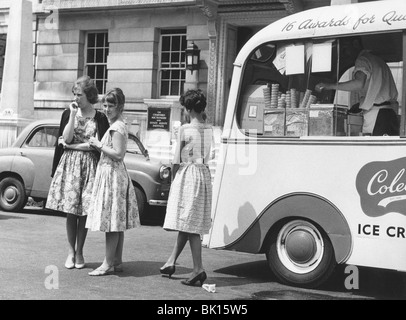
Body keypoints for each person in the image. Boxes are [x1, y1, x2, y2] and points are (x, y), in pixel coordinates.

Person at [46, 76, 110, 270]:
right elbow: (65, 138)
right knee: (70, 212)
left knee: (84, 212)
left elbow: (97, 146)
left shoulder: (99, 117)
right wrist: (73, 116)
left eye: (79, 94)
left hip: (90, 168)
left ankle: (80, 251)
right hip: (70, 167)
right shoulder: (68, 114)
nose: (76, 98)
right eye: (74, 94)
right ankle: (70, 252)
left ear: (89, 95)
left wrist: (73, 146)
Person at [160, 89, 213, 286]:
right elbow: (208, 156)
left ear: (189, 109)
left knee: (189, 224)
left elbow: (176, 159)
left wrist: (174, 179)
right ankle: (171, 262)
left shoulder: (184, 129)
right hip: (203, 174)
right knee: (189, 220)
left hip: (188, 174)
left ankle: (198, 269)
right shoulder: (209, 130)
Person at [86, 88, 140, 276]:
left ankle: (107, 263)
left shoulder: (117, 127)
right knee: (116, 222)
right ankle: (116, 260)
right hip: (112, 175)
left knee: (111, 222)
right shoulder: (117, 125)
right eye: (105, 105)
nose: (107, 109)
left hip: (113, 176)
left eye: (111, 105)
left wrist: (98, 144)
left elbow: (118, 154)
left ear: (120, 107)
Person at [315, 37, 399, 136]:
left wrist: (330, 86)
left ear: (355, 44)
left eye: (346, 48)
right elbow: (375, 89)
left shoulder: (362, 59)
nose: (345, 52)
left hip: (376, 115)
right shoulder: (378, 60)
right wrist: (361, 103)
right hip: (389, 113)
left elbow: (359, 83)